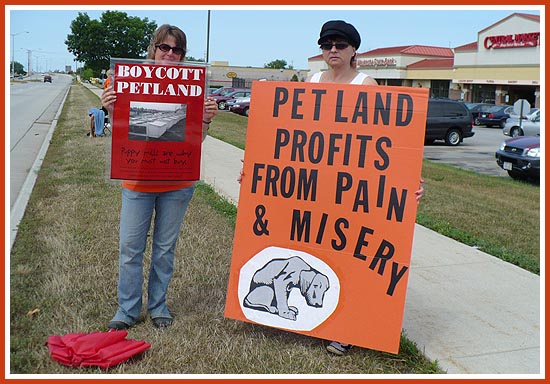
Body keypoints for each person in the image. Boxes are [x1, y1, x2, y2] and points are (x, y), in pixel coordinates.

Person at [237, 20, 424, 355]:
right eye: (327, 45)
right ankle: (307, 317)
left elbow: (385, 143)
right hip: (315, 183)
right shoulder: (313, 80)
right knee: (314, 249)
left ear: (354, 50)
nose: (333, 51)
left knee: (348, 253)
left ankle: (345, 328)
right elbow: (294, 133)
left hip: (348, 186)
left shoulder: (366, 84)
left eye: (340, 45)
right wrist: (257, 170)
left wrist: (407, 182)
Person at [101, 24, 218, 330]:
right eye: (164, 47)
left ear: (183, 55)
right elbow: (122, 132)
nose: (170, 54)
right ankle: (126, 311)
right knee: (130, 248)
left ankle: (158, 306)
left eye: (177, 50)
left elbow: (196, 140)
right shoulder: (126, 81)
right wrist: (110, 111)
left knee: (164, 250)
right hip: (137, 181)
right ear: (153, 49)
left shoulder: (195, 86)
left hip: (178, 183)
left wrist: (205, 119)